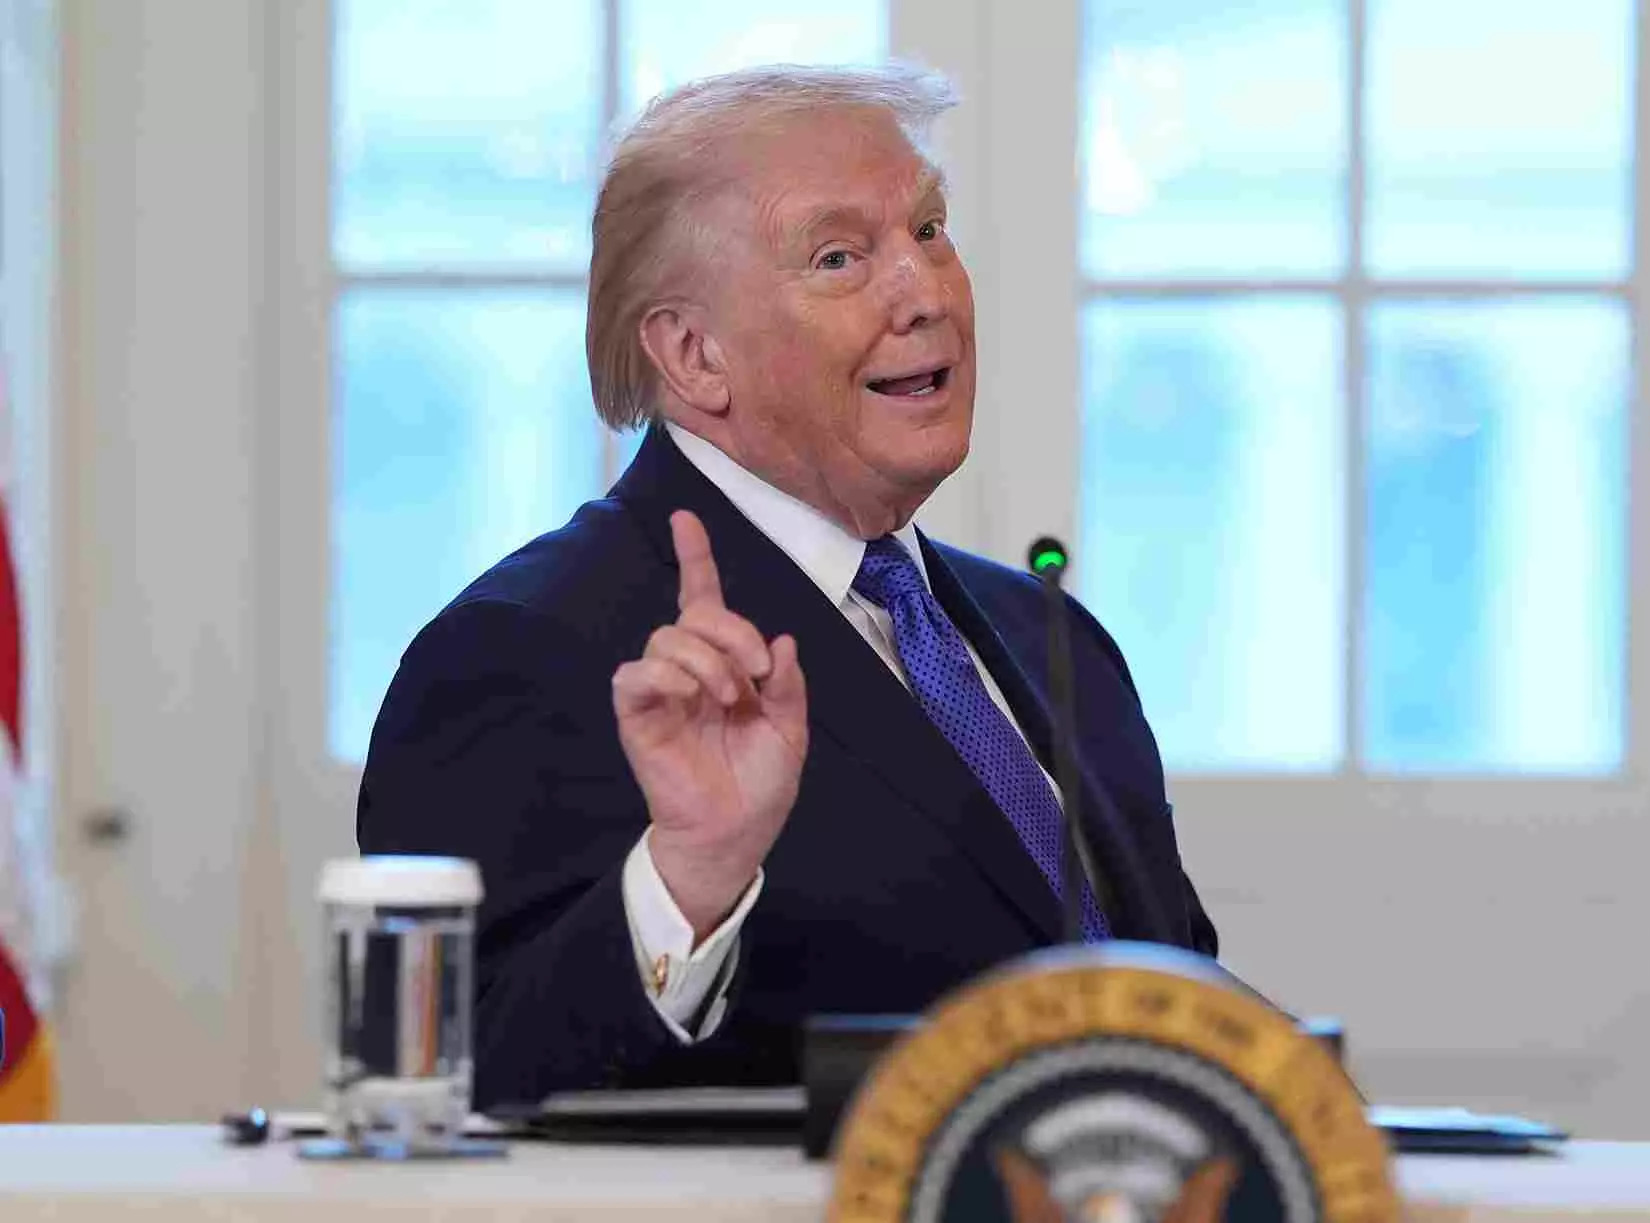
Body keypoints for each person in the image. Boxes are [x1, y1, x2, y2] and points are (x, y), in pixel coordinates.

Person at [357, 64, 1218, 1110]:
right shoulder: (523, 650)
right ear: (692, 354)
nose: (926, 293)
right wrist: (685, 877)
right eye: (839, 256)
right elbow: (462, 1081)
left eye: (930, 230)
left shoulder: (1050, 637)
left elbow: (1186, 1018)